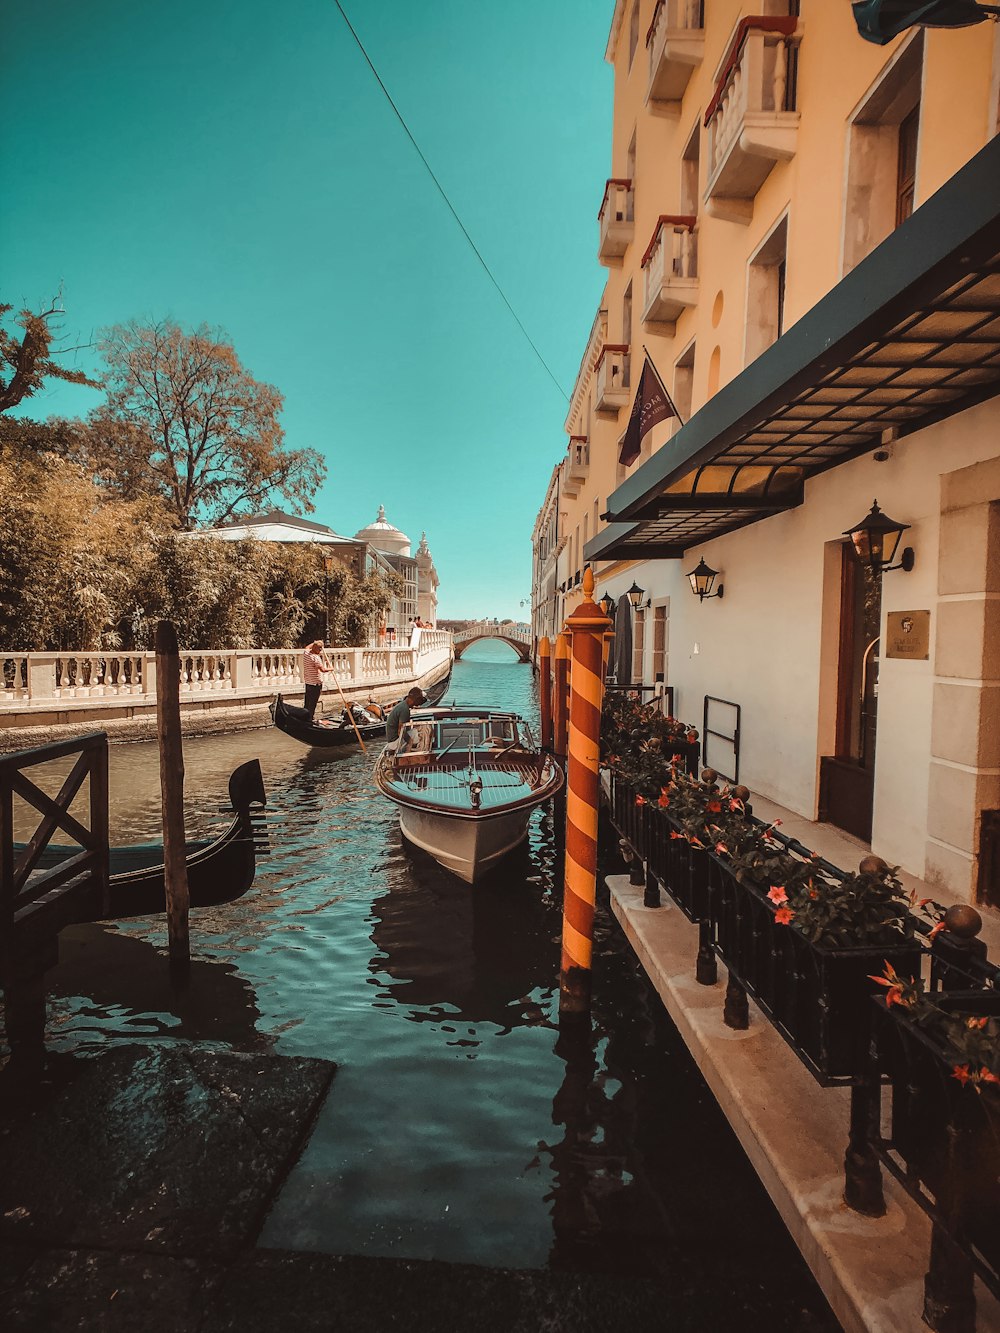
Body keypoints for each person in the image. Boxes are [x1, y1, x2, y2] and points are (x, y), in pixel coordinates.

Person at [302, 639, 332, 719]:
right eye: (320, 649)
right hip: (316, 684)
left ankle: (305, 717)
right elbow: (323, 670)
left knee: (307, 702)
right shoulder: (316, 658)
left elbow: (307, 647)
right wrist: (331, 669)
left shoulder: (306, 653)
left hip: (308, 683)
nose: (321, 650)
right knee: (312, 703)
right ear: (316, 648)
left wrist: (315, 642)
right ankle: (309, 718)